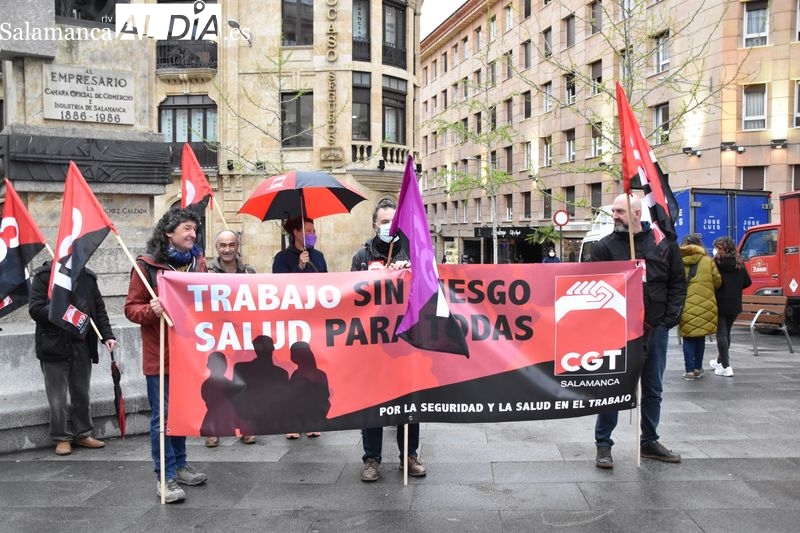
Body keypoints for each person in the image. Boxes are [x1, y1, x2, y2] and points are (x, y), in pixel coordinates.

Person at [591, 193, 686, 469]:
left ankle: (649, 441)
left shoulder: (663, 244)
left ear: (636, 213)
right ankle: (603, 444)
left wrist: (669, 319)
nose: (614, 215)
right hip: (617, 332)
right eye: (614, 211)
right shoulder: (604, 248)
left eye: (620, 211)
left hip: (655, 329)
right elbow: (592, 288)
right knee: (613, 387)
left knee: (653, 388)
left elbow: (677, 283)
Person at [124, 207, 208, 504]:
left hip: (189, 355)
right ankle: (166, 476)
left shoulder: (197, 265)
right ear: (169, 233)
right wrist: (152, 310)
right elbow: (131, 308)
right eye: (186, 228)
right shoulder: (146, 266)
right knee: (162, 419)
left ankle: (181, 464)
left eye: (194, 229)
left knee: (182, 415)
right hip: (160, 356)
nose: (192, 234)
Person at [350, 198, 425, 482]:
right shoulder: (361, 257)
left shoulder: (412, 251)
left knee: (409, 402)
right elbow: (350, 297)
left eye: (392, 222)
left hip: (406, 344)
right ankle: (371, 458)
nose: (388, 227)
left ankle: (410, 455)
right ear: (374, 224)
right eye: (383, 222)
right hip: (373, 345)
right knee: (372, 402)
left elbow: (427, 291)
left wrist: (410, 273)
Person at [28, 261, 116, 456]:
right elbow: (35, 309)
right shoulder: (44, 276)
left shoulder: (88, 278)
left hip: (81, 345)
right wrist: (62, 311)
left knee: (81, 394)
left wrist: (107, 335)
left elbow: (99, 310)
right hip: (54, 346)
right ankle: (61, 438)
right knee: (57, 398)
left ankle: (83, 433)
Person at [273, 216, 327, 439]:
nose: (312, 234)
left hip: (314, 322)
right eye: (308, 230)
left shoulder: (319, 257)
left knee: (311, 373)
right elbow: (279, 287)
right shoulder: (282, 258)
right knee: (291, 372)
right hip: (291, 322)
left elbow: (326, 285)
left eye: (314, 230)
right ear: (295, 232)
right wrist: (299, 267)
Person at [205, 229, 257, 447]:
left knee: (243, 383)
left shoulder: (249, 272)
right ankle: (213, 430)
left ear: (237, 247)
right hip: (217, 337)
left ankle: (244, 427)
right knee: (217, 383)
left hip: (242, 337)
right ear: (216, 248)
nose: (227, 249)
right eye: (223, 245)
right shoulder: (206, 273)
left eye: (231, 245)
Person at [679, 233, 721, 381]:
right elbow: (718, 281)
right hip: (706, 305)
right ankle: (698, 368)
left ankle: (689, 370)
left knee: (688, 338)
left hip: (686, 305)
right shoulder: (708, 261)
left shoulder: (678, 260)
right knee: (700, 337)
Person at [710, 236, 752, 377]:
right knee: (726, 333)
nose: (716, 250)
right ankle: (719, 361)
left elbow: (713, 281)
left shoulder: (716, 262)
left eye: (718, 248)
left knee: (721, 334)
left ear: (723, 249)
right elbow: (747, 282)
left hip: (720, 302)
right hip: (735, 303)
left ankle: (726, 366)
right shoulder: (739, 263)